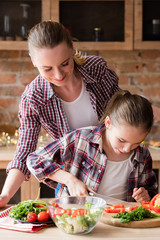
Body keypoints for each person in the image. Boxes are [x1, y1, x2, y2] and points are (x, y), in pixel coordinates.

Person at [0, 21, 120, 207]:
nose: (58, 75)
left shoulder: (96, 70)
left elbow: (123, 107)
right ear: (33, 61)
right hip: (73, 183)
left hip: (116, 174)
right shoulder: (34, 97)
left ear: (72, 49)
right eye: (47, 69)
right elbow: (25, 152)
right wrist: (5, 196)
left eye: (64, 63)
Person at [27, 90, 158, 202]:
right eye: (122, 140)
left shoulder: (142, 154)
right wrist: (70, 180)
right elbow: (34, 160)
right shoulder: (80, 139)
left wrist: (146, 196)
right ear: (108, 122)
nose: (127, 149)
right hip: (76, 216)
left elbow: (151, 192)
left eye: (136, 143)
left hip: (120, 222)